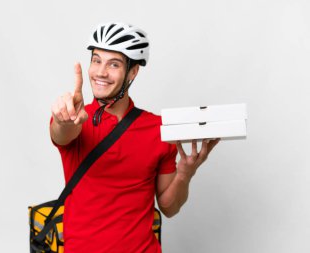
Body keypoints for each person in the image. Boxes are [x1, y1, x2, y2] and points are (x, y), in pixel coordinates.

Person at [50, 22, 219, 253]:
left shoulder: (158, 128)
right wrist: (62, 120)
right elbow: (62, 134)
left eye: (114, 64)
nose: (100, 72)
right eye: (96, 60)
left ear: (132, 72)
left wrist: (185, 173)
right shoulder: (77, 120)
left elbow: (169, 208)